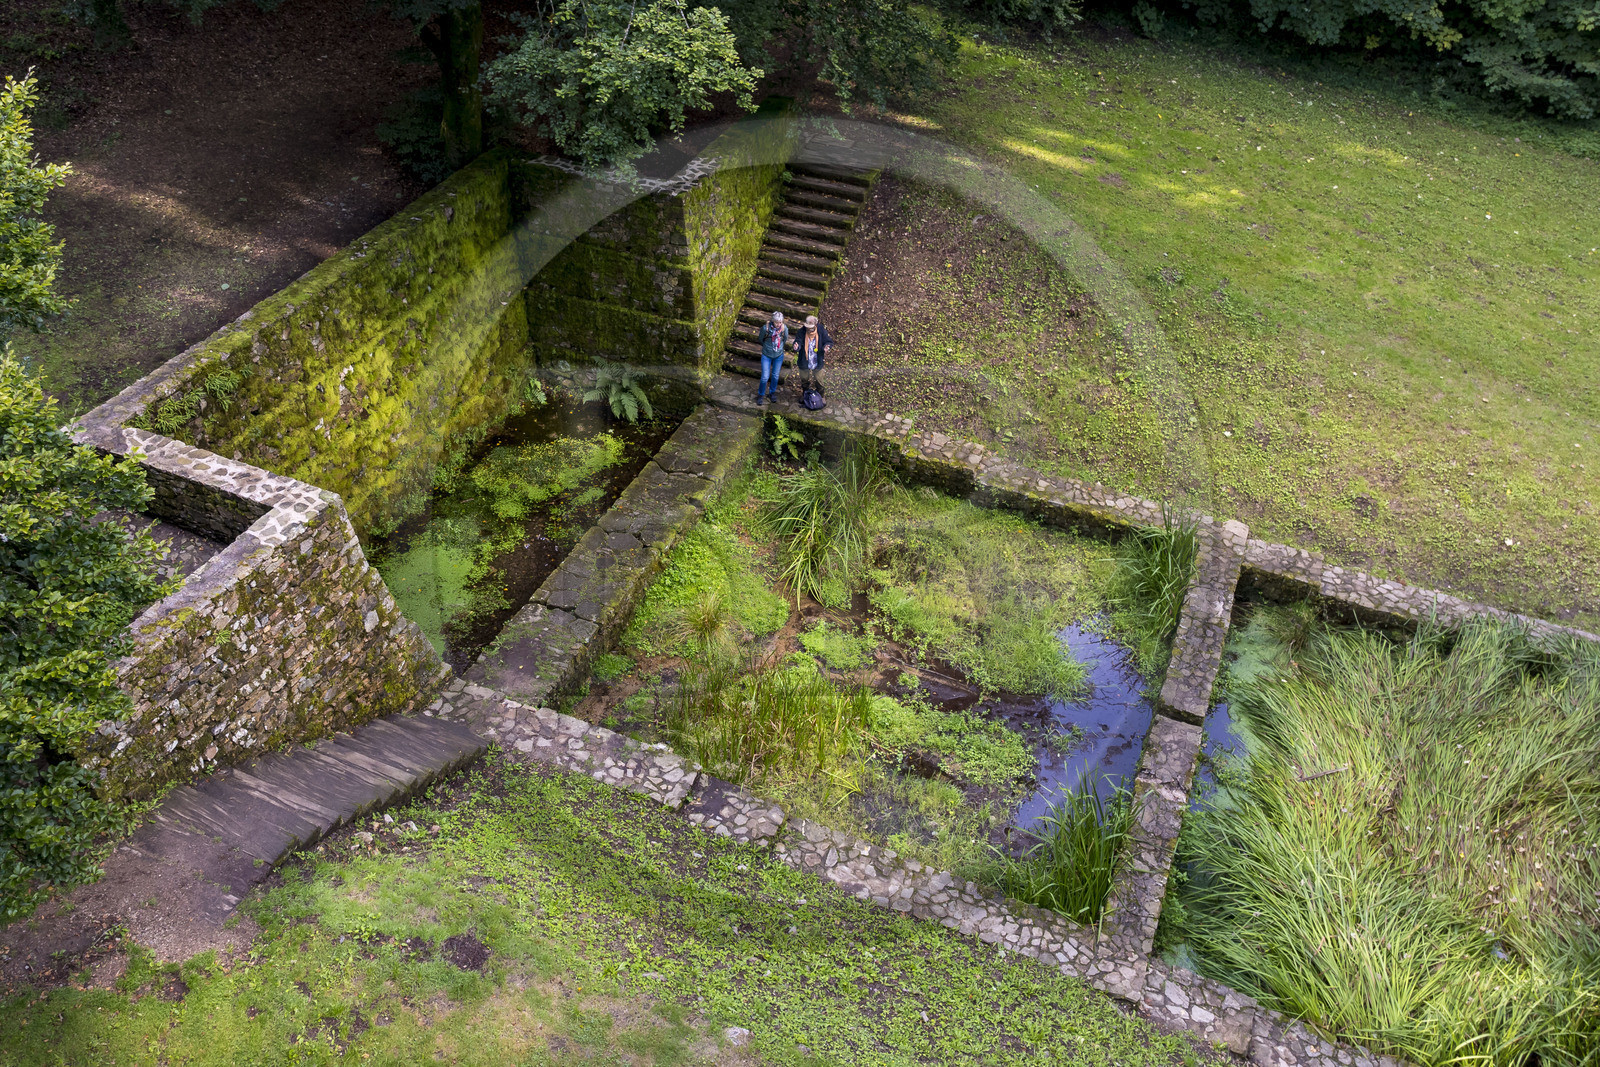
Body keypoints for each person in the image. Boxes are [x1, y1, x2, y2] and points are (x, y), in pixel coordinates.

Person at [794, 315, 832, 402]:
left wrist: (827, 346)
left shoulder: (821, 331)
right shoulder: (801, 331)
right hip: (804, 361)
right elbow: (798, 341)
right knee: (804, 380)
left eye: (810, 327)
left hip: (817, 360)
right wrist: (797, 346)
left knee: (819, 380)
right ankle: (805, 394)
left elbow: (828, 341)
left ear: (815, 325)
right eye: (807, 327)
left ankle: (821, 396)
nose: (808, 329)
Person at [756, 310, 790, 405]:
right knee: (764, 377)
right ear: (772, 321)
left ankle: (772, 393)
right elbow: (760, 339)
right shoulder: (765, 328)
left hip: (778, 355)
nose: (778, 324)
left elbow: (785, 339)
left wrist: (778, 347)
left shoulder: (784, 329)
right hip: (766, 355)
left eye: (780, 322)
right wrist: (767, 347)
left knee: (775, 376)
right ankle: (761, 394)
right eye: (776, 322)